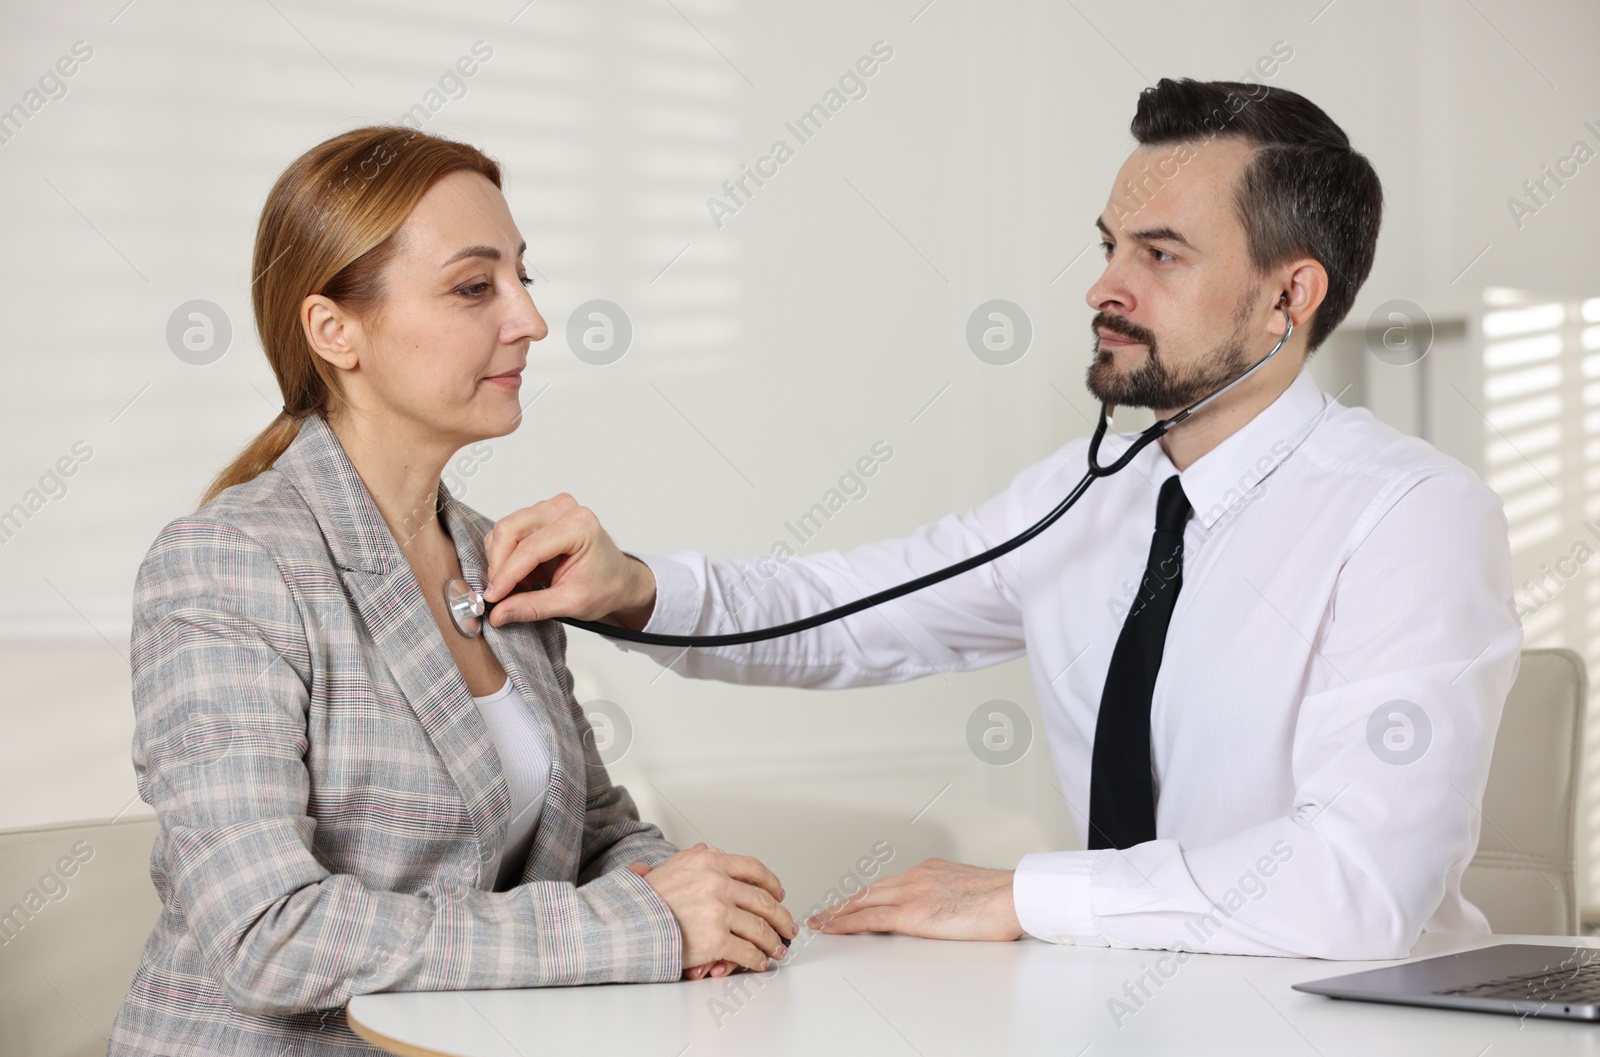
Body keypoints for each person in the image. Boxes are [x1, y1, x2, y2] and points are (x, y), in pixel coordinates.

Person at [476, 79, 1522, 961]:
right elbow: (846, 612)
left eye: (1160, 254)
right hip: (1121, 1004)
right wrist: (637, 588)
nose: (1103, 287)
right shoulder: (1087, 491)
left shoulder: (1410, 518)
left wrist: (1023, 895)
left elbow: (1359, 880)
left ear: (1288, 295)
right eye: (1110, 245)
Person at [106, 126, 795, 1057]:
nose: (530, 320)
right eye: (476, 287)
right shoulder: (227, 563)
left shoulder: (496, 552)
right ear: (333, 330)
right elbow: (269, 933)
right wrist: (640, 926)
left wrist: (696, 913)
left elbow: (596, 833)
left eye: (523, 277)